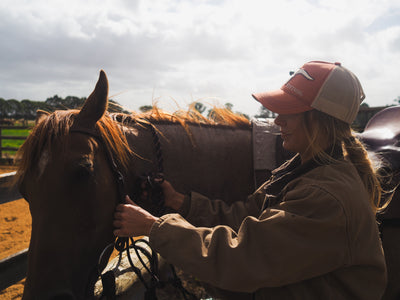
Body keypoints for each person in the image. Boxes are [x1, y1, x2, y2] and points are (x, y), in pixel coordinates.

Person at [113, 61, 387, 299]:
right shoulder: (303, 169)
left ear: (319, 121)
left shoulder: (325, 196)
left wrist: (154, 227)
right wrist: (182, 203)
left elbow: (243, 257)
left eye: (288, 111)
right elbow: (244, 217)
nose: (278, 120)